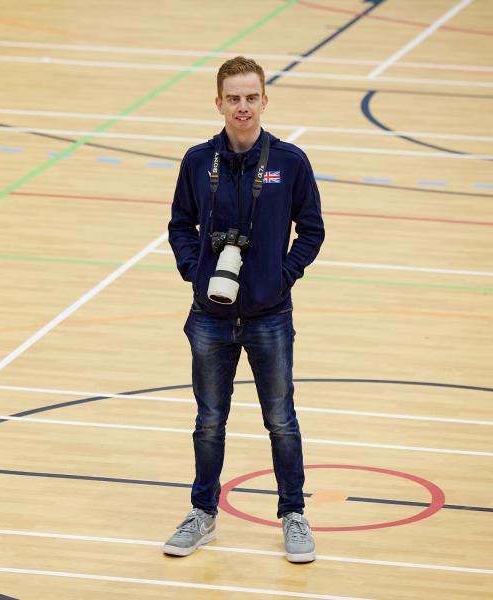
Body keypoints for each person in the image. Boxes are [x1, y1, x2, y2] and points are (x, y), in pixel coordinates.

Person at [164, 56, 325, 563]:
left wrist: (280, 276)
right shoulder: (196, 161)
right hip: (209, 317)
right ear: (218, 103)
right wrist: (195, 270)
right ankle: (203, 514)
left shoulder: (291, 162)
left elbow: (313, 230)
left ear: (264, 101)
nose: (242, 106)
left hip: (269, 315)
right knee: (209, 420)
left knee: (281, 419)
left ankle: (294, 515)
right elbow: (179, 225)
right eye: (233, 98)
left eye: (251, 97)